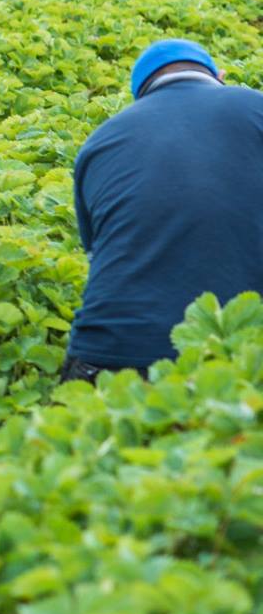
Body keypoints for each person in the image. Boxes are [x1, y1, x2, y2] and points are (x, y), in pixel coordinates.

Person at [61, 38, 263, 382]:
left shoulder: (101, 140)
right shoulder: (255, 107)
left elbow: (95, 250)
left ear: (141, 96)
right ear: (220, 76)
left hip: (105, 360)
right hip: (239, 355)